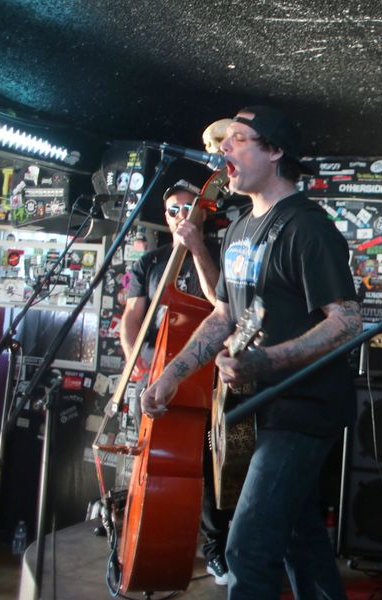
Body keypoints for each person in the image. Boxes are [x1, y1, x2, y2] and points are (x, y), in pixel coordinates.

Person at [140, 105, 361, 600]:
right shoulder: (239, 227)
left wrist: (266, 361)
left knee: (247, 548)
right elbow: (223, 315)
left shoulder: (307, 227)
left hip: (304, 409)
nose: (224, 148)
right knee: (301, 539)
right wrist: (172, 374)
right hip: (260, 408)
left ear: (275, 151)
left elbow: (347, 321)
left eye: (239, 138)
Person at [119, 178, 232, 585]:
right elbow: (132, 319)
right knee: (154, 464)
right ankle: (151, 538)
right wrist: (138, 366)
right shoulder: (150, 262)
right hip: (156, 375)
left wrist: (196, 246)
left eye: (189, 207)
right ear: (164, 216)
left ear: (203, 211)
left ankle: (216, 548)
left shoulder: (221, 251)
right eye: (173, 209)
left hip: (209, 378)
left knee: (210, 468)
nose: (181, 215)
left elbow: (220, 304)